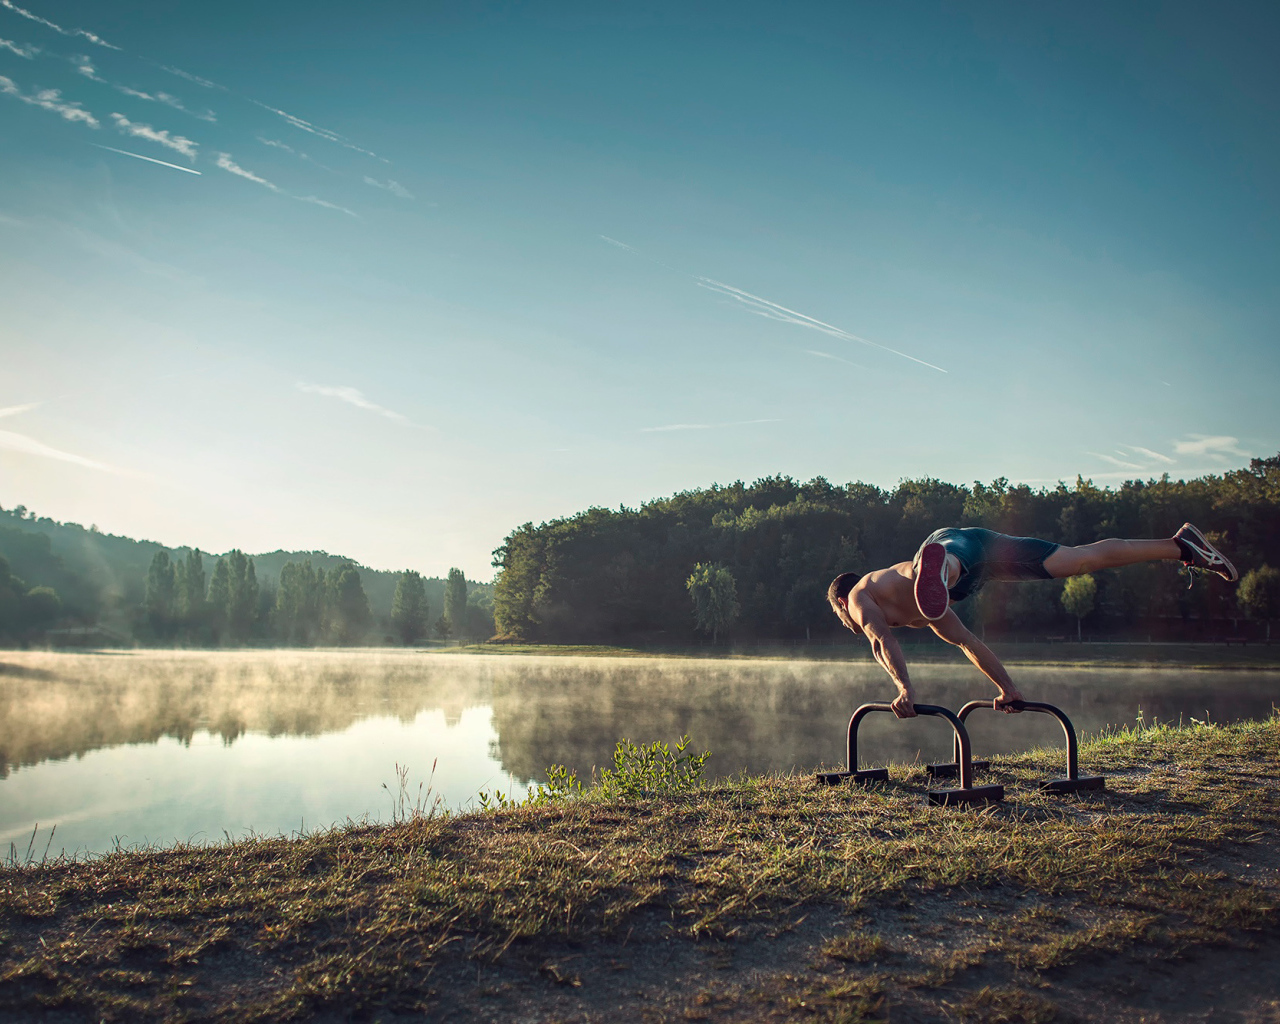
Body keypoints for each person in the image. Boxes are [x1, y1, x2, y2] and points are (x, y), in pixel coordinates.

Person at [826, 523, 1237, 719]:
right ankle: (1181, 547)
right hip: (985, 557)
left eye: (839, 615)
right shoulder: (923, 611)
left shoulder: (860, 594)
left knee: (935, 568)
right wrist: (1008, 689)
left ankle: (942, 568)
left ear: (842, 603)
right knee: (1080, 559)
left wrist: (904, 690)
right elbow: (969, 643)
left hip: (946, 547)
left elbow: (880, 643)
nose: (849, 621)